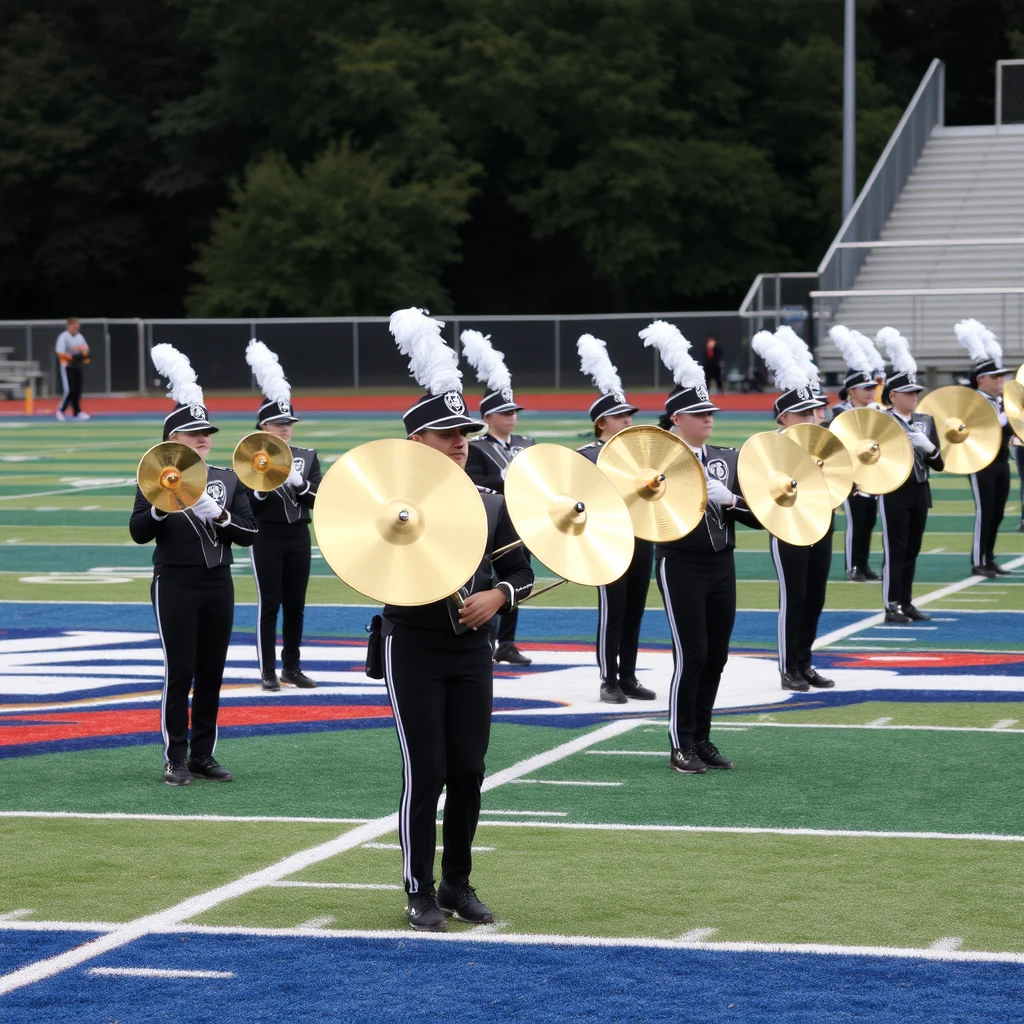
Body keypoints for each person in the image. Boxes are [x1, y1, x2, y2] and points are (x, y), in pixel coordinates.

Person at [384, 309, 533, 932]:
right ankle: (417, 889)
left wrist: (498, 595)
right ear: (417, 443)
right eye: (446, 434)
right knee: (429, 770)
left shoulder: (491, 501)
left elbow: (521, 570)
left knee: (470, 771)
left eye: (464, 432)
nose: (460, 441)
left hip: (473, 648)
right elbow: (370, 570)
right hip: (413, 644)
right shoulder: (387, 505)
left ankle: (457, 884)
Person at [129, 344, 257, 786]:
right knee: (180, 670)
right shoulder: (152, 479)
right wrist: (163, 507)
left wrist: (219, 515)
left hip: (218, 582)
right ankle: (175, 757)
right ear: (172, 442)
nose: (204, 438)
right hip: (175, 582)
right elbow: (139, 531)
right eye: (193, 433)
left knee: (212, 672)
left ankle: (204, 754)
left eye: (206, 432)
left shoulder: (227, 478)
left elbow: (251, 532)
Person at [641, 319, 761, 771]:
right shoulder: (655, 461)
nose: (709, 420)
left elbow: (759, 518)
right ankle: (680, 743)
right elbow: (642, 514)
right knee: (690, 653)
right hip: (680, 564)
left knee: (718, 655)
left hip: (721, 562)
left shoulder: (727, 459)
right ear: (677, 420)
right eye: (700, 415)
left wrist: (731, 499)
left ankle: (704, 737)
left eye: (711, 414)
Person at [753, 329, 836, 693]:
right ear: (784, 418)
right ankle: (789, 667)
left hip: (822, 520)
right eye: (802, 412)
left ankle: (805, 662)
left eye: (813, 410)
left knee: (816, 595)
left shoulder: (823, 441)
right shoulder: (774, 446)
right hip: (788, 526)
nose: (812, 416)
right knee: (795, 596)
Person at [576, 333, 655, 704]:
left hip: (642, 537)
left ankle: (629, 675)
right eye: (621, 416)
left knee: (635, 609)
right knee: (613, 611)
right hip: (608, 542)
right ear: (601, 423)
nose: (628, 420)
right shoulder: (587, 455)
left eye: (628, 415)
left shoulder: (643, 455)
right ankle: (608, 679)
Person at [244, 340, 322, 690]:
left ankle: (292, 666)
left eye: (288, 422)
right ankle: (267, 671)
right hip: (266, 536)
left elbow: (319, 498)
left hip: (298, 535)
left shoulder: (307, 456)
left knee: (296, 604)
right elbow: (248, 503)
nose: (285, 428)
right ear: (263, 427)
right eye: (277, 423)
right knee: (270, 603)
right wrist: (264, 482)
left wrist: (298, 483)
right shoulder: (247, 458)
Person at [461, 329, 535, 666]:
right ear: (488, 418)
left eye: (514, 411)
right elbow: (472, 482)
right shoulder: (475, 447)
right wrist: (503, 478)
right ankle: (488, 638)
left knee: (517, 576)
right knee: (488, 578)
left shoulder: (527, 444)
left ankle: (508, 642)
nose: (512, 416)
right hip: (492, 520)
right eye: (505, 413)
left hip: (524, 520)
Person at [876, 328, 944, 624]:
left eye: (916, 392)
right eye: (908, 393)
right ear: (893, 396)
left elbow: (940, 463)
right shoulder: (881, 421)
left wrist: (929, 447)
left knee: (913, 548)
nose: (914, 397)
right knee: (896, 549)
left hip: (920, 489)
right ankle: (892, 604)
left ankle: (906, 601)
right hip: (894, 490)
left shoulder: (926, 421)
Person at [954, 320, 1014, 577]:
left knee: (998, 511)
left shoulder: (1002, 401)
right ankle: (979, 561)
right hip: (980, 463)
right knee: (985, 511)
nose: (1001, 380)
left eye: (1002, 375)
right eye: (995, 376)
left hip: (1001, 459)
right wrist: (1004, 421)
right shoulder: (973, 402)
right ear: (980, 379)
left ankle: (989, 558)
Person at [827, 326, 888, 582]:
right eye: (864, 388)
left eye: (872, 387)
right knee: (856, 521)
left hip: (872, 472)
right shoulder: (840, 412)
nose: (870, 391)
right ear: (851, 390)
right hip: (851, 474)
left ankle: (863, 565)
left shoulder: (878, 408)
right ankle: (853, 567)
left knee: (869, 521)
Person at [55, 318, 91, 421]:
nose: (77, 328)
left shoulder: (79, 336)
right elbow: (60, 353)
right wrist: (72, 356)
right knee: (69, 390)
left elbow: (85, 348)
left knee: (77, 390)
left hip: (77, 366)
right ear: (69, 326)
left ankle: (77, 412)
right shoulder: (63, 337)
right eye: (75, 326)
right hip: (67, 367)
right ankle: (60, 410)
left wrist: (83, 355)